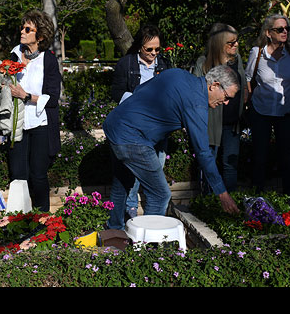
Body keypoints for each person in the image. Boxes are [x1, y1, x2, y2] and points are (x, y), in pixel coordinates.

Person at [103, 65, 241, 230]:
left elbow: (140, 89)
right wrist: (222, 193)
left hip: (114, 125)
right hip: (132, 139)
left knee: (122, 183)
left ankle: (113, 232)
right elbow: (203, 151)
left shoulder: (178, 73)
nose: (225, 103)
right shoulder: (197, 103)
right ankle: (149, 247)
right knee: (160, 194)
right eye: (227, 97)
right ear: (215, 85)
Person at [110, 25, 171, 219]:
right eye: (149, 49)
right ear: (139, 47)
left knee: (156, 168)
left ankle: (151, 212)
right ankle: (131, 207)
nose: (154, 53)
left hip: (158, 126)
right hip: (134, 126)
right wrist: (135, 100)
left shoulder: (163, 65)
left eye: (157, 49)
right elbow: (116, 92)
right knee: (136, 169)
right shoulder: (127, 64)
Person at [5, 9, 62, 213]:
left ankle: (42, 221)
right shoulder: (13, 55)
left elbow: (53, 99)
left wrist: (26, 96)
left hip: (40, 124)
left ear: (41, 36)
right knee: (18, 175)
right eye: (22, 27)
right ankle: (19, 220)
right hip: (17, 124)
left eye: (28, 29)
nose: (22, 31)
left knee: (38, 176)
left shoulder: (48, 60)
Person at [245, 14, 290, 199]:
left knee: (287, 158)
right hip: (261, 111)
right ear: (269, 33)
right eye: (280, 29)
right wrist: (251, 101)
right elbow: (248, 79)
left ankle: (289, 200)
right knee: (259, 157)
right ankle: (257, 200)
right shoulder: (257, 52)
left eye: (287, 28)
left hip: (285, 112)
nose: (285, 32)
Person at [193, 23, 247, 193]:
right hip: (211, 124)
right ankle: (208, 204)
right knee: (210, 164)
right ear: (219, 44)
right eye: (231, 43)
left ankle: (229, 206)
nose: (236, 45)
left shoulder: (236, 62)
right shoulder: (203, 63)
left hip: (232, 124)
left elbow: (243, 86)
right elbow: (197, 92)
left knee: (230, 165)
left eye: (237, 41)